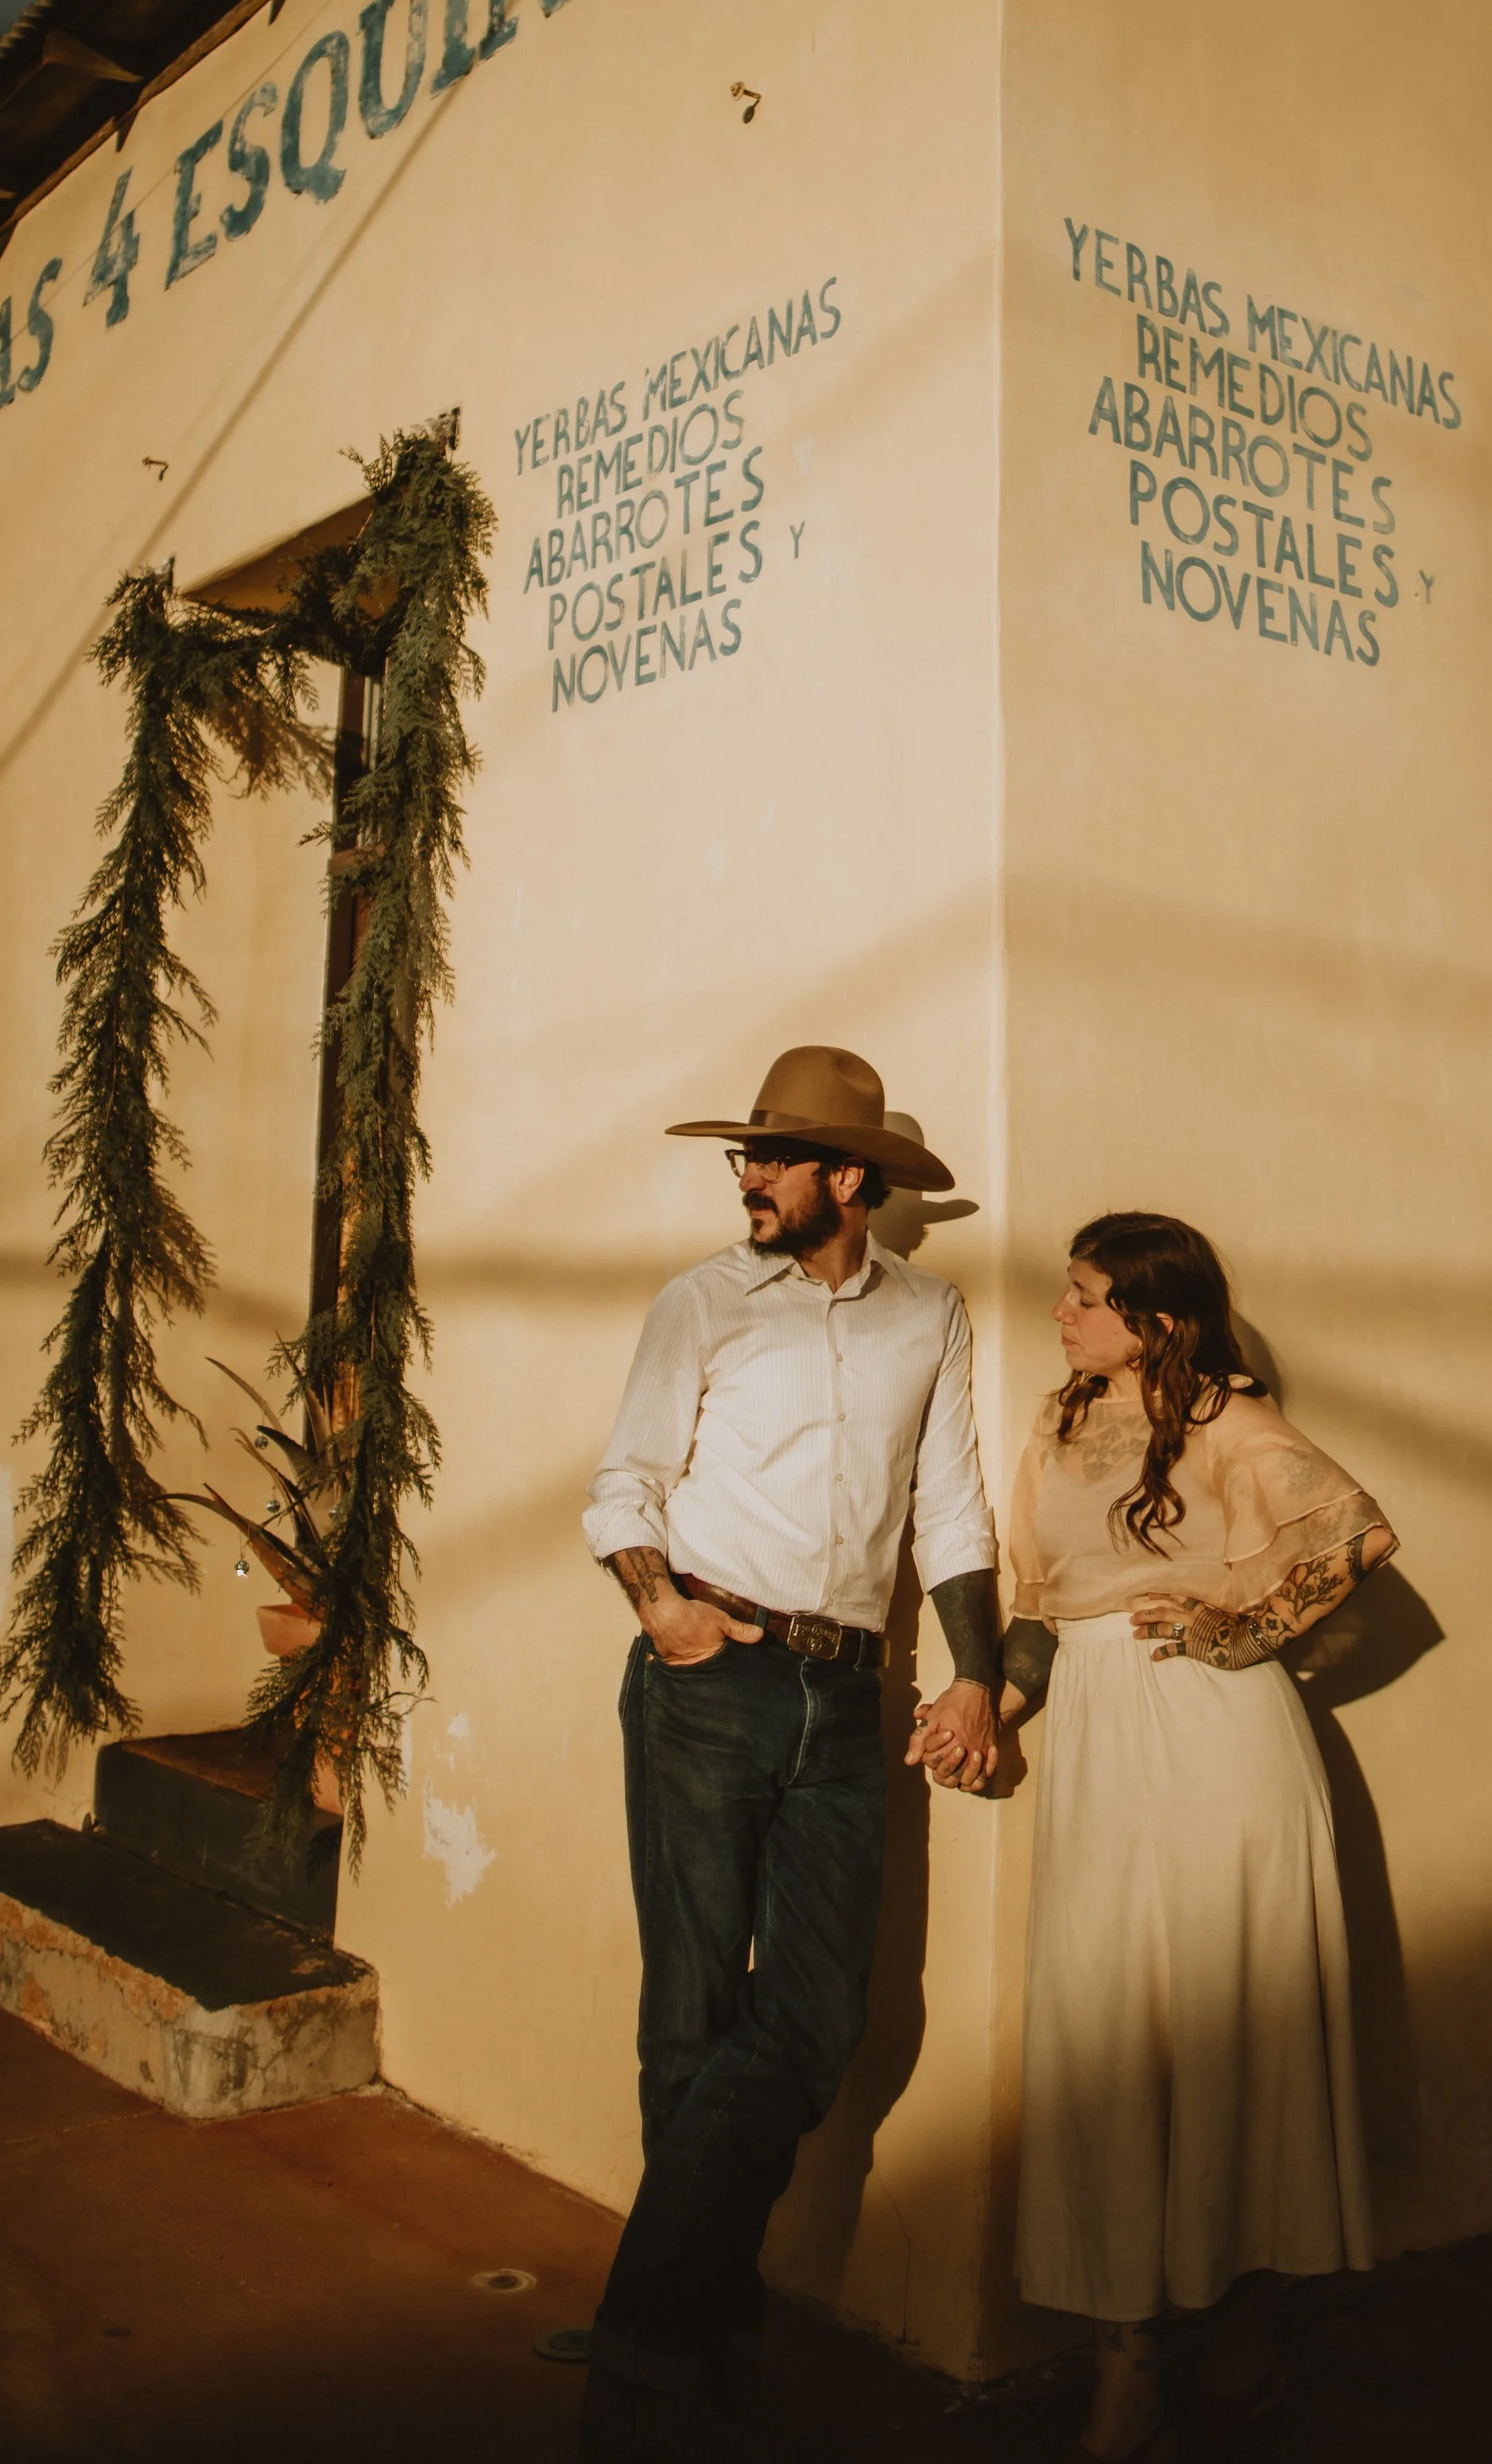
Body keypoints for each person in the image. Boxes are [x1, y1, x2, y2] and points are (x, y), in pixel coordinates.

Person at [916, 1211, 1396, 2464]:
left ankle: (1244, 2340)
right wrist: (991, 1704)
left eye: (1086, 1296)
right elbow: (1042, 1606)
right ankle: (1130, 2363)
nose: (1063, 1313)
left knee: (1239, 2033)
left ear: (1158, 1319)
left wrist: (1241, 1630)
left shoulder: (1230, 1419)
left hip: (1222, 1751)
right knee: (1114, 2039)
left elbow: (1356, 1536)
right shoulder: (1060, 1424)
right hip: (1103, 1756)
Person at [580, 1044, 1002, 2456]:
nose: (748, 1178)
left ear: (850, 1178)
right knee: (692, 2012)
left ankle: (644, 2320)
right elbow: (625, 1484)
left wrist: (977, 1672)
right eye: (744, 1155)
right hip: (708, 1677)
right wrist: (667, 1613)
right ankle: (702, 2337)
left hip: (847, 1694)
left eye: (772, 1158)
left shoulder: (928, 1315)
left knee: (816, 2020)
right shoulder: (701, 1300)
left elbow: (950, 1508)